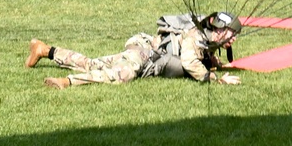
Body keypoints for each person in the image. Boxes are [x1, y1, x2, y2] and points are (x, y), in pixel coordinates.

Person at [26, 11, 243, 87]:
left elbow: (200, 56)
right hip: (145, 52)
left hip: (144, 48)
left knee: (94, 63)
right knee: (124, 74)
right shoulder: (195, 37)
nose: (233, 40)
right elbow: (189, 63)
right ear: (221, 30)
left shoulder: (206, 39)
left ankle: (45, 50)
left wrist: (214, 62)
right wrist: (217, 80)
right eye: (232, 35)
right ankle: (68, 82)